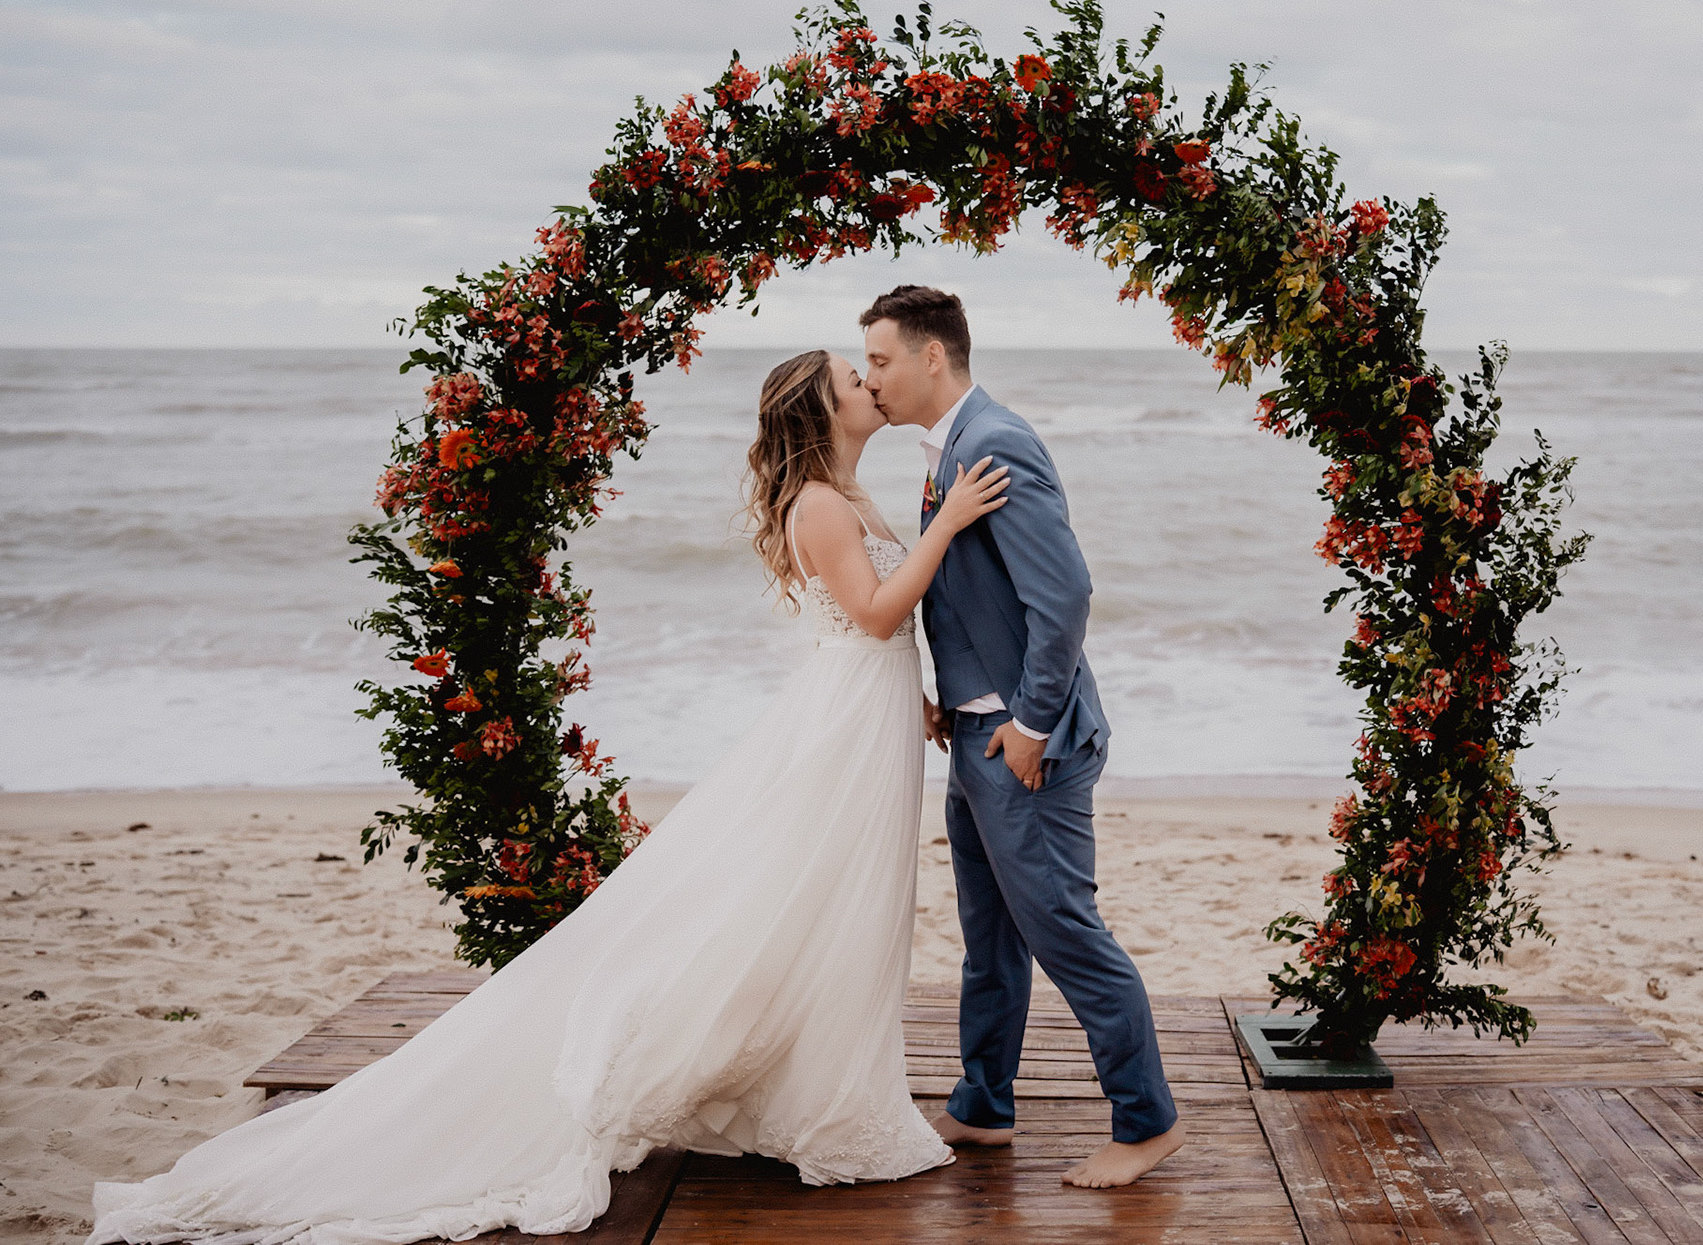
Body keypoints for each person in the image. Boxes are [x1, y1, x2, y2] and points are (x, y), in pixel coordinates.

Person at [86, 349, 1010, 1244]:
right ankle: (787, 1098)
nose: (871, 382)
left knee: (837, 909)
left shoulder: (845, 496)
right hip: (839, 728)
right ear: (820, 409)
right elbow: (879, 613)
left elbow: (867, 628)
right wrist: (950, 521)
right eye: (856, 378)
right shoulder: (817, 504)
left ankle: (811, 1091)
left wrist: (919, 693)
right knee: (809, 900)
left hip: (869, 712)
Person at [860, 285, 1187, 1188]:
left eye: (882, 360)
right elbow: (969, 596)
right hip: (975, 737)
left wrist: (1031, 726)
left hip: (1022, 745)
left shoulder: (994, 441)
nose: (872, 379)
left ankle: (1146, 1121)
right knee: (991, 936)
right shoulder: (948, 451)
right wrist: (943, 693)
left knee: (1066, 933)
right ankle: (984, 1105)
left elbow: (1065, 595)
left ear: (934, 357)